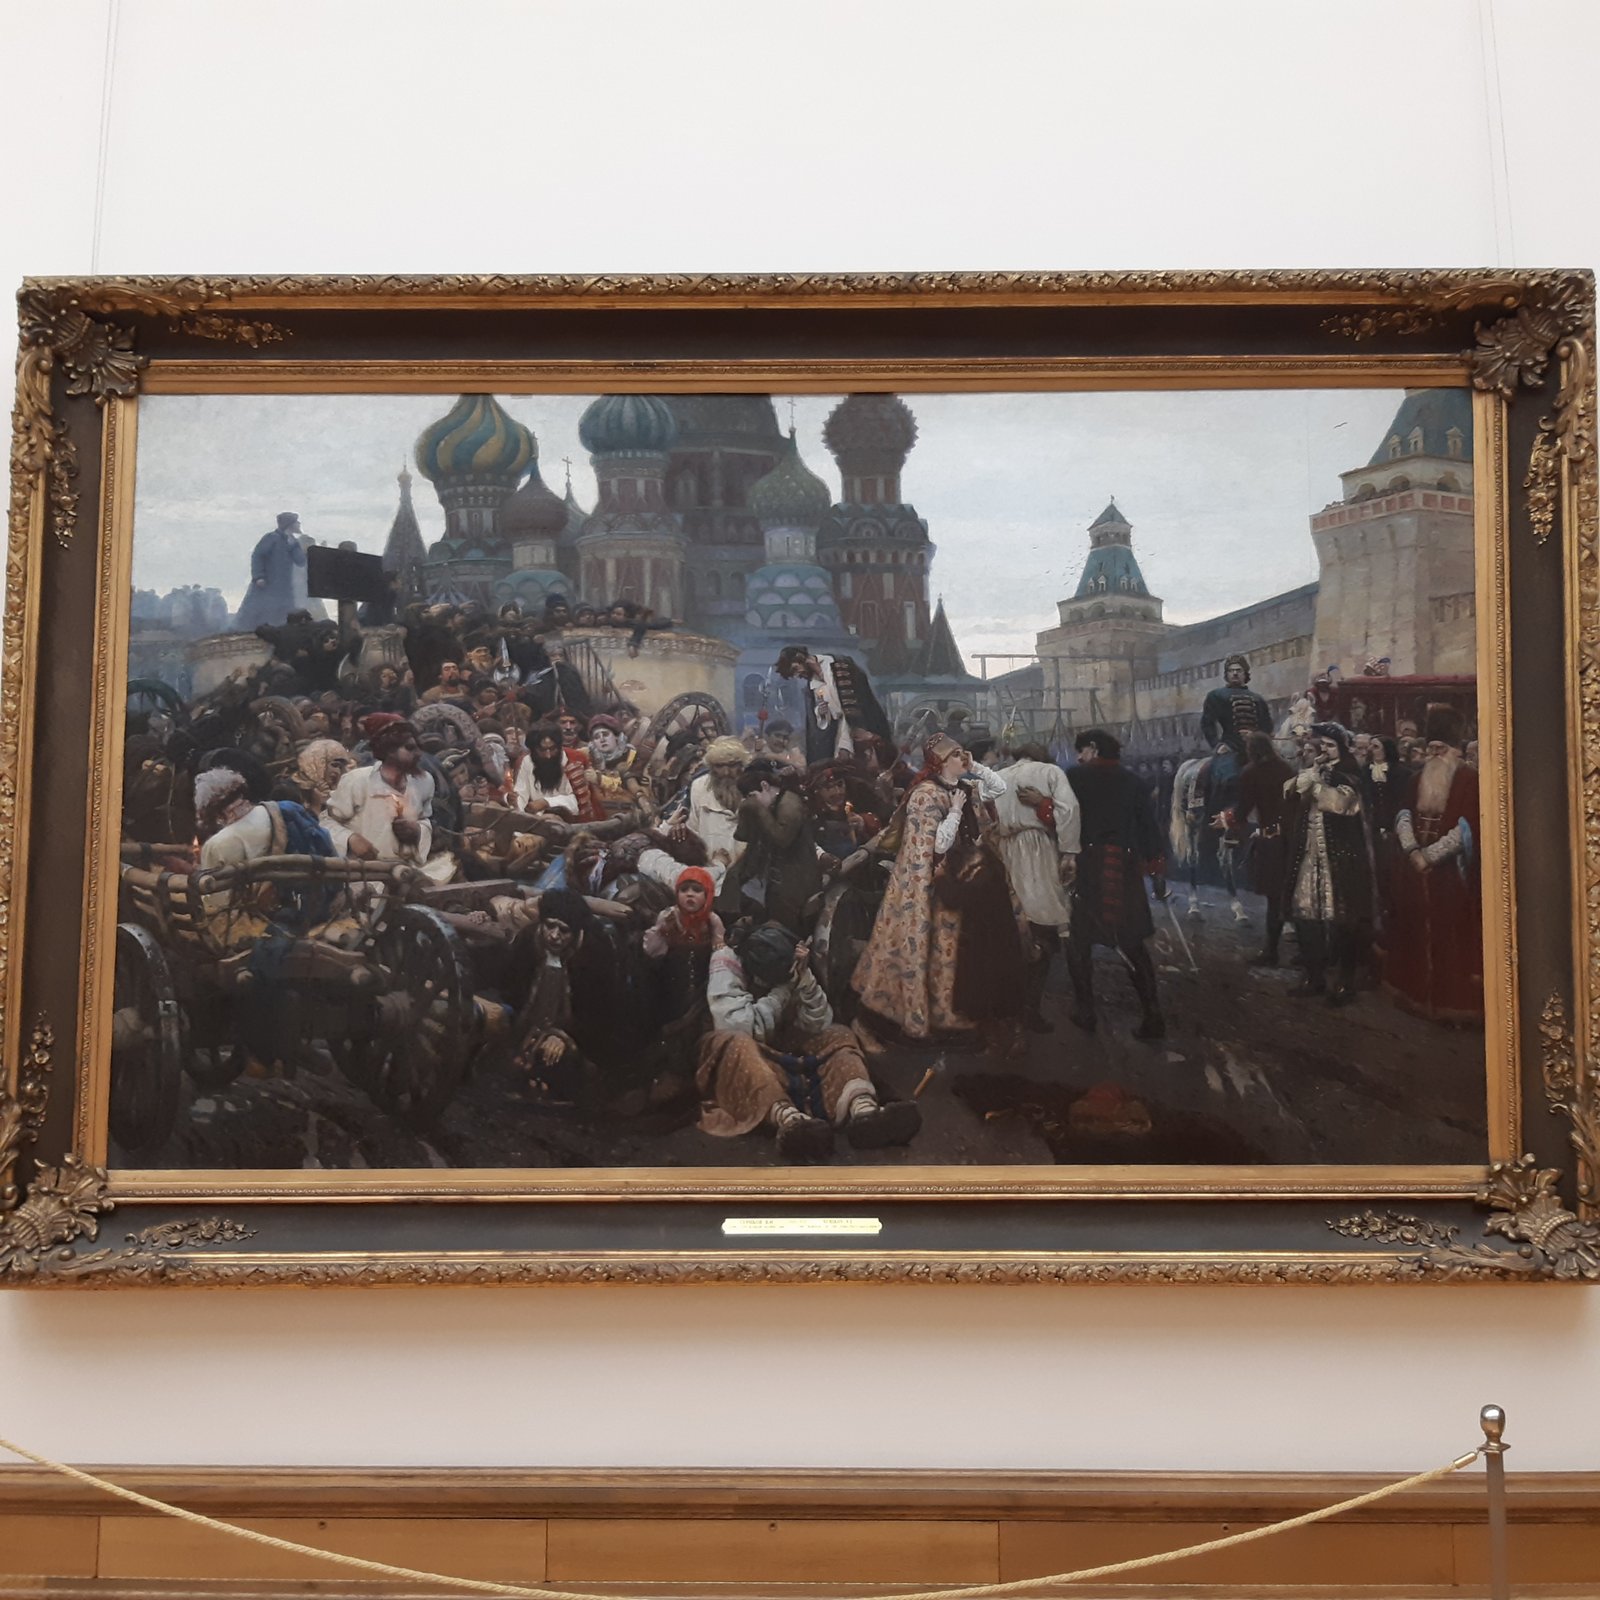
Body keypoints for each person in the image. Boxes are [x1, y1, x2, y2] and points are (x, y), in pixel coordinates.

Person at [852, 733, 1025, 1042]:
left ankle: (955, 1014)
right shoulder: (925, 795)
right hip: (932, 884)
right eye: (956, 754)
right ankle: (912, 1018)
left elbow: (990, 808)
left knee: (959, 951)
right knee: (928, 946)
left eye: (963, 752)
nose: (964, 757)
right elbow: (925, 848)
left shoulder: (965, 789)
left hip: (965, 881)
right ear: (941, 762)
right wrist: (931, 885)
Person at [697, 922, 920, 1161]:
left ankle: (863, 1112)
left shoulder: (793, 964)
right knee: (736, 1043)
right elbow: (740, 1026)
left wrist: (804, 979)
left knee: (839, 1033)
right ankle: (790, 1121)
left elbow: (818, 1023)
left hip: (788, 1053)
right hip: (750, 1058)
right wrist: (783, 991)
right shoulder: (728, 964)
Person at [1063, 728, 1168, 1039]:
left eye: (1082, 750)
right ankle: (1152, 1014)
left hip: (1088, 867)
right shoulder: (1134, 781)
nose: (1079, 757)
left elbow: (1063, 818)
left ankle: (1086, 1012)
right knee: (1132, 942)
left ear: (1094, 749)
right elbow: (1149, 828)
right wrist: (1156, 871)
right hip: (1124, 867)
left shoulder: (1075, 778)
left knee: (1078, 941)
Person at [1383, 704, 1483, 1023]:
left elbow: (1466, 829)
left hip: (1451, 874)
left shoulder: (1470, 780)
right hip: (1415, 870)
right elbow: (1403, 815)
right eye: (1432, 748)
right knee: (1413, 931)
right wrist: (1413, 851)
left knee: (1451, 937)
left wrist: (1430, 856)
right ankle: (1416, 996)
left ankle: (1449, 1005)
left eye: (1442, 748)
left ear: (1454, 750)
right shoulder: (1416, 779)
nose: (1436, 754)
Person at [1281, 723, 1372, 1006]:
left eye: (1331, 746)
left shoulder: (1348, 773)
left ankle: (1344, 982)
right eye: (1322, 745)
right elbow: (1290, 792)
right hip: (1310, 856)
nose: (1325, 750)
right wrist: (1307, 779)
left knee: (1343, 918)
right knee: (1306, 915)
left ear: (1341, 748)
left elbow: (1343, 805)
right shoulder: (1314, 770)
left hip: (1340, 858)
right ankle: (1314, 977)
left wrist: (1317, 785)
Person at [992, 741, 1081, 1032]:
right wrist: (1069, 852)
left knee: (1010, 928)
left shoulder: (998, 777)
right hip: (1038, 852)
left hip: (1005, 851)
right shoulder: (1050, 772)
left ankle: (1008, 1009)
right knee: (1042, 925)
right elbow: (1068, 811)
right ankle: (1030, 1010)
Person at [323, 713, 454, 882]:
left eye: (417, 747)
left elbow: (425, 820)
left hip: (410, 872)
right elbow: (326, 822)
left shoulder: (424, 781)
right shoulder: (357, 781)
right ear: (389, 750)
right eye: (409, 748)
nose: (418, 754)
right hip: (365, 875)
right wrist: (350, 839)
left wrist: (416, 831)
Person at [1229, 731, 1295, 967]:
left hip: (1271, 839)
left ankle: (1271, 950)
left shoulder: (1250, 772)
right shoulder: (1287, 769)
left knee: (1274, 898)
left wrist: (1230, 823)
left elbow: (1243, 809)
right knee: (1292, 893)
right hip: (1292, 836)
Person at [734, 761, 823, 932]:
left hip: (795, 880)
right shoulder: (769, 805)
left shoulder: (789, 804)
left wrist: (758, 809)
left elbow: (782, 838)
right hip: (773, 878)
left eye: (752, 795)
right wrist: (747, 812)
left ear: (765, 786)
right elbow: (742, 835)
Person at [774, 644, 892, 766]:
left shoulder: (840, 664)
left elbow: (861, 697)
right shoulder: (812, 685)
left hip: (858, 726)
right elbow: (819, 718)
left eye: (795, 669)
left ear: (801, 658)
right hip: (838, 731)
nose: (797, 675)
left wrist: (860, 727)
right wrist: (821, 712)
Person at [677, 736, 749, 896]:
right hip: (710, 870)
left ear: (741, 765)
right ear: (711, 767)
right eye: (719, 766)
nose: (726, 772)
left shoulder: (755, 789)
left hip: (746, 875)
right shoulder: (699, 787)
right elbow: (693, 831)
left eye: (732, 765)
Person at [234, 512, 308, 632]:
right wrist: (259, 576)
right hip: (267, 583)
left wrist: (295, 546)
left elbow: (300, 561)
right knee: (259, 612)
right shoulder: (271, 538)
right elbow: (258, 556)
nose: (299, 524)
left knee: (283, 614)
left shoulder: (293, 541)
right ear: (289, 524)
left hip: (284, 586)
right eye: (296, 522)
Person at [1200, 653, 1273, 759]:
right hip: (1229, 747)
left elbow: (1267, 726)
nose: (1235, 673)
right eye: (1231, 670)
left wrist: (1254, 736)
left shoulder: (1258, 699)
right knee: (1224, 768)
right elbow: (1207, 724)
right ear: (1226, 674)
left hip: (1255, 749)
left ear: (1245, 674)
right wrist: (1217, 745)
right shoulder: (1216, 696)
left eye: (1238, 670)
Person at [586, 714, 646, 815]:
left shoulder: (632, 756)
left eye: (605, 734)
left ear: (616, 736)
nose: (602, 739)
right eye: (596, 737)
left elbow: (631, 786)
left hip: (630, 811)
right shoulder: (590, 759)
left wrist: (600, 779)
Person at [515, 725, 580, 817]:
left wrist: (546, 802)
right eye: (542, 750)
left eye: (552, 749)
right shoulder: (528, 761)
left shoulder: (572, 762)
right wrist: (517, 804)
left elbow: (576, 802)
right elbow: (521, 794)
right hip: (535, 818)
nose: (548, 755)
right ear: (534, 750)